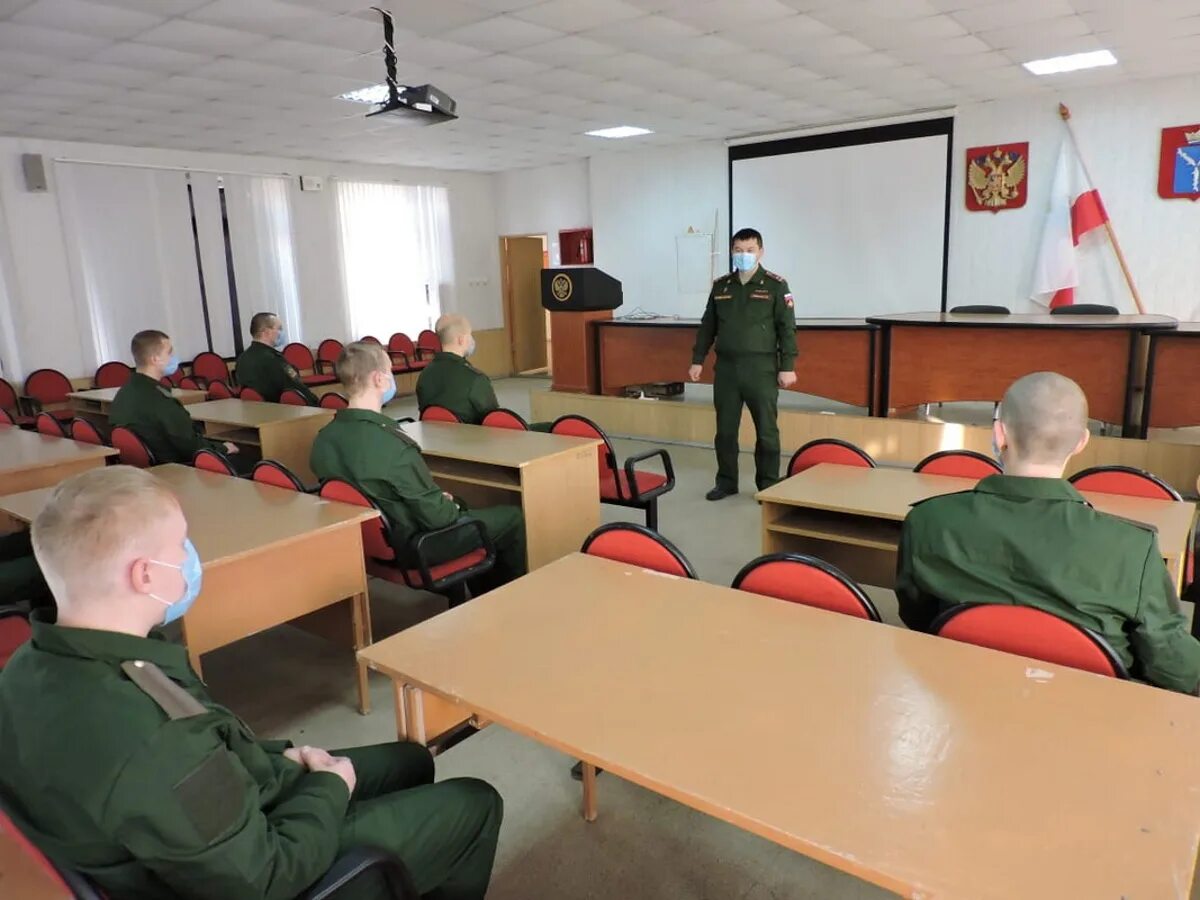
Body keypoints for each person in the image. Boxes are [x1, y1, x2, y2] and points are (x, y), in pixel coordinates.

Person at [0, 466, 503, 899]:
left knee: (411, 759)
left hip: (213, 815)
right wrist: (327, 785)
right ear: (145, 576)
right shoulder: (149, 741)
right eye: (181, 544)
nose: (191, 555)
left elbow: (206, 737)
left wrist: (278, 757)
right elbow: (265, 876)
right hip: (262, 866)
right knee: (476, 802)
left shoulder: (34, 660)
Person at [896, 371, 1200, 694]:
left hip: (964, 694)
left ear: (999, 435)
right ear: (1082, 442)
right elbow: (1175, 668)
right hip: (1090, 717)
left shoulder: (927, 520)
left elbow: (917, 617)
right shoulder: (1132, 548)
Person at [311, 341, 527, 589]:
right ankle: (504, 600)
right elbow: (438, 518)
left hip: (367, 542)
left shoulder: (323, 439)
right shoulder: (392, 444)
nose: (392, 378)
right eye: (390, 372)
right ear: (379, 380)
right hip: (417, 545)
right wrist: (447, 503)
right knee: (512, 519)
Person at [689, 228, 797, 501]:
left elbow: (787, 329)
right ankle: (726, 482)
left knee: (767, 432)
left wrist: (788, 365)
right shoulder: (721, 286)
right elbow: (707, 326)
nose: (744, 255)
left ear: (761, 252)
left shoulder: (776, 285)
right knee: (725, 431)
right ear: (731, 252)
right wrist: (697, 360)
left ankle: (768, 484)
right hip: (726, 369)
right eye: (738, 250)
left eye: (749, 250)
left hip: (761, 369)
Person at [109, 330, 246, 470]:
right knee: (246, 461)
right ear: (155, 359)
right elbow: (190, 446)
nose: (173, 358)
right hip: (176, 467)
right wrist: (223, 448)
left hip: (144, 468)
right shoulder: (159, 400)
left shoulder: (125, 392)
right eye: (169, 353)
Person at [415, 314, 499, 425]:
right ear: (461, 340)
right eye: (470, 335)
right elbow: (493, 419)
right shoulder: (475, 379)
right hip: (470, 440)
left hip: (433, 439)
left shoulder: (424, 375)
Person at [235, 312, 318, 405]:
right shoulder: (274, 359)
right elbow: (296, 387)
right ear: (267, 332)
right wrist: (317, 402)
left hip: (255, 412)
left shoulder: (242, 358)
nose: (282, 332)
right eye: (279, 328)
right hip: (280, 410)